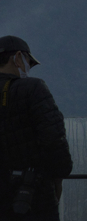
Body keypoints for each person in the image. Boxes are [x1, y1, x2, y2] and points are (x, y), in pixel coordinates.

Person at [0, 36, 73, 221]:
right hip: (32, 196)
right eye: (28, 62)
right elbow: (54, 139)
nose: (27, 68)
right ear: (17, 57)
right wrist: (59, 176)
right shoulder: (33, 89)